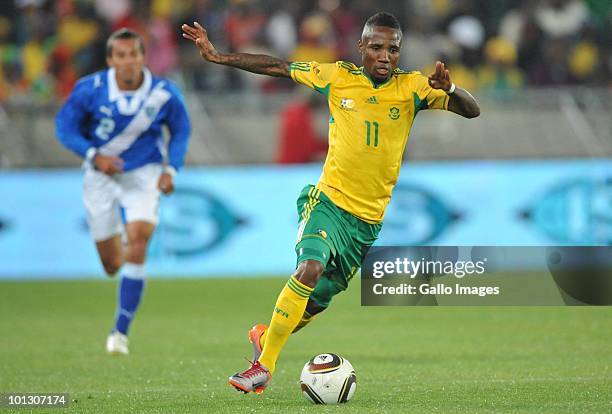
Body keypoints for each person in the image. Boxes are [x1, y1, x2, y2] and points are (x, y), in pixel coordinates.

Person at [182, 11, 479, 394]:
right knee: (309, 268)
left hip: (367, 222)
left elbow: (472, 111)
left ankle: (266, 334)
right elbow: (278, 66)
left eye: (393, 49)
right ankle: (263, 367)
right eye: (376, 47)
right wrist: (220, 57)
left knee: (316, 300)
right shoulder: (338, 77)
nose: (385, 56)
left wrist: (451, 89)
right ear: (361, 48)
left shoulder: (415, 88)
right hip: (329, 202)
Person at [55, 28, 191, 355]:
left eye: (134, 55)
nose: (128, 62)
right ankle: (123, 243)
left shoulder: (163, 93)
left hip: (144, 172)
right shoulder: (90, 90)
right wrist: (93, 156)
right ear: (110, 60)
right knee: (112, 264)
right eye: (121, 56)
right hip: (100, 175)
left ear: (143, 57)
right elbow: (65, 128)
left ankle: (120, 332)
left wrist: (171, 168)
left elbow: (181, 130)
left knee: (140, 237)